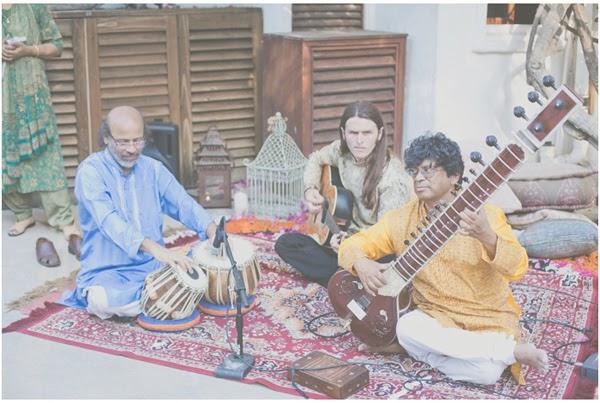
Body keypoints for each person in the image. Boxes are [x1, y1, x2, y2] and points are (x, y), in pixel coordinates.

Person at [338, 132, 549, 385]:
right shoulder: (401, 219)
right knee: (408, 328)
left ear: (454, 176)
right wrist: (360, 262)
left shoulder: (487, 215)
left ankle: (421, 349)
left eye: (429, 171)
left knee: (486, 374)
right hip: (436, 315)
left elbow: (518, 268)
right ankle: (507, 352)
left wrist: (487, 237)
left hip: (487, 316)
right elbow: (352, 244)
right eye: (414, 171)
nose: (418, 178)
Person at [61, 106, 217, 320]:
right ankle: (166, 298)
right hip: (108, 271)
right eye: (123, 142)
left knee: (209, 261)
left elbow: (183, 203)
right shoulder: (91, 172)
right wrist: (156, 249)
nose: (132, 149)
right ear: (106, 138)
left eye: (138, 140)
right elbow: (109, 221)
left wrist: (211, 228)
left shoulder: (153, 169)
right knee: (102, 300)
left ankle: (161, 297)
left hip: (153, 266)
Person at [275, 101, 413, 286]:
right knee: (285, 243)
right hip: (339, 235)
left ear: (379, 134)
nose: (359, 140)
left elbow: (385, 236)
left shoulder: (393, 179)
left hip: (371, 249)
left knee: (384, 266)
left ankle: (346, 277)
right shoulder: (340, 151)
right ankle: (347, 278)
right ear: (343, 133)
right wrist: (311, 190)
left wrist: (349, 247)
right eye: (353, 133)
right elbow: (315, 159)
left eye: (367, 133)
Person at [2, 4, 81, 266]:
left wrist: (27, 50)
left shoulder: (33, 5)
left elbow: (56, 46)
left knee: (45, 153)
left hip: (32, 92)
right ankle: (22, 214)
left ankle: (63, 219)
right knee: (5, 152)